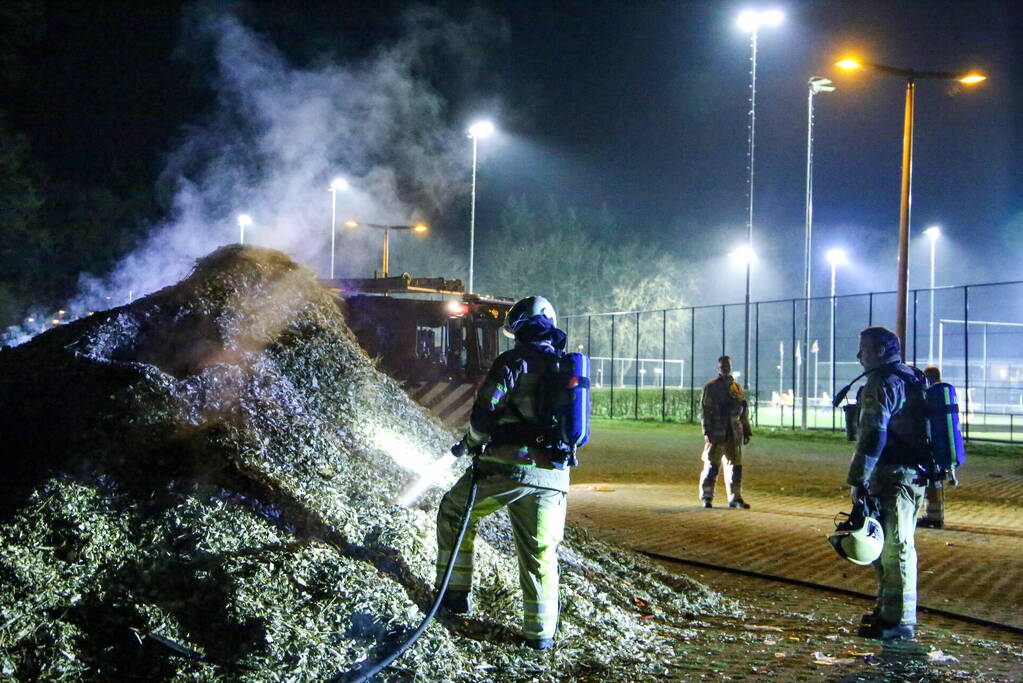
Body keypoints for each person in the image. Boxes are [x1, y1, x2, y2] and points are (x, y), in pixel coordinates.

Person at [435, 295, 570, 651]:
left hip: (506, 468)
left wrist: (473, 441)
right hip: (553, 477)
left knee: (454, 511)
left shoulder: (513, 362)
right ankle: (540, 636)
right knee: (540, 554)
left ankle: (454, 596)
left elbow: (485, 411)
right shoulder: (566, 367)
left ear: (520, 330)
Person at [847, 326, 927, 641]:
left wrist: (857, 479)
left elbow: (872, 436)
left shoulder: (882, 383)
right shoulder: (912, 377)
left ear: (881, 350)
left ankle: (901, 622)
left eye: (864, 348)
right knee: (888, 547)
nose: (859, 355)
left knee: (896, 547)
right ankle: (887, 612)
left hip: (894, 478)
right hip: (912, 477)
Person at [698, 355, 752, 509]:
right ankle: (707, 497)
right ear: (718, 368)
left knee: (736, 467)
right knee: (712, 466)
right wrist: (706, 431)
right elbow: (705, 411)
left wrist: (746, 429)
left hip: (734, 433)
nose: (725, 368)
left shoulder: (737, 387)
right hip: (716, 432)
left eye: (727, 365)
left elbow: (743, 410)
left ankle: (735, 498)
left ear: (731, 366)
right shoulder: (711, 387)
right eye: (722, 366)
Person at [918, 365, 946, 529]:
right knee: (937, 481)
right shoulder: (942, 394)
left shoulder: (930, 395)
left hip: (932, 444)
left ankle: (933, 517)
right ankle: (936, 515)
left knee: (933, 481)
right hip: (941, 444)